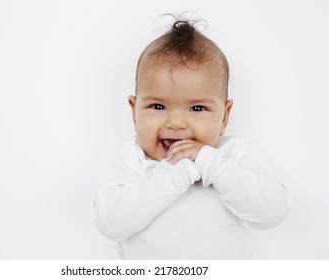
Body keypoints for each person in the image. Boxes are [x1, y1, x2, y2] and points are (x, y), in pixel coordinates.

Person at [92, 17, 292, 259]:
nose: (176, 123)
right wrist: (177, 170)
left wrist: (210, 163)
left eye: (197, 109)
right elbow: (110, 223)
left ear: (224, 117)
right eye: (157, 106)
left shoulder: (232, 154)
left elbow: (272, 213)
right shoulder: (133, 158)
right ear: (134, 112)